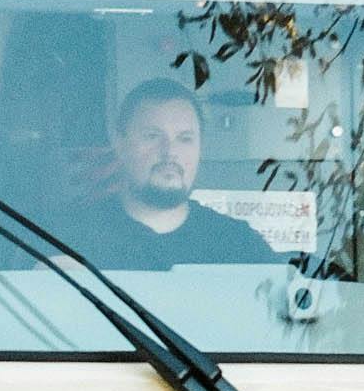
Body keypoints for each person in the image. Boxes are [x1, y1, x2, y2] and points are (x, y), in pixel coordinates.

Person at [82, 80, 269, 272]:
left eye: (185, 139)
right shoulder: (72, 241)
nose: (170, 151)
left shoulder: (241, 248)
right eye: (152, 136)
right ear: (119, 144)